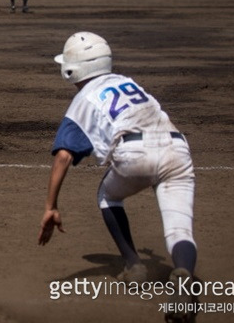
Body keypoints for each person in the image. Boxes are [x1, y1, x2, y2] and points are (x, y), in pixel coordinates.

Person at [37, 32, 198, 323]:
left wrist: (51, 206)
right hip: (178, 148)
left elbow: (63, 156)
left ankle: (134, 265)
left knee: (107, 195)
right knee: (180, 231)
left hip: (134, 153)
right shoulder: (128, 82)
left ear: (71, 69)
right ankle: (184, 276)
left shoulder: (83, 99)